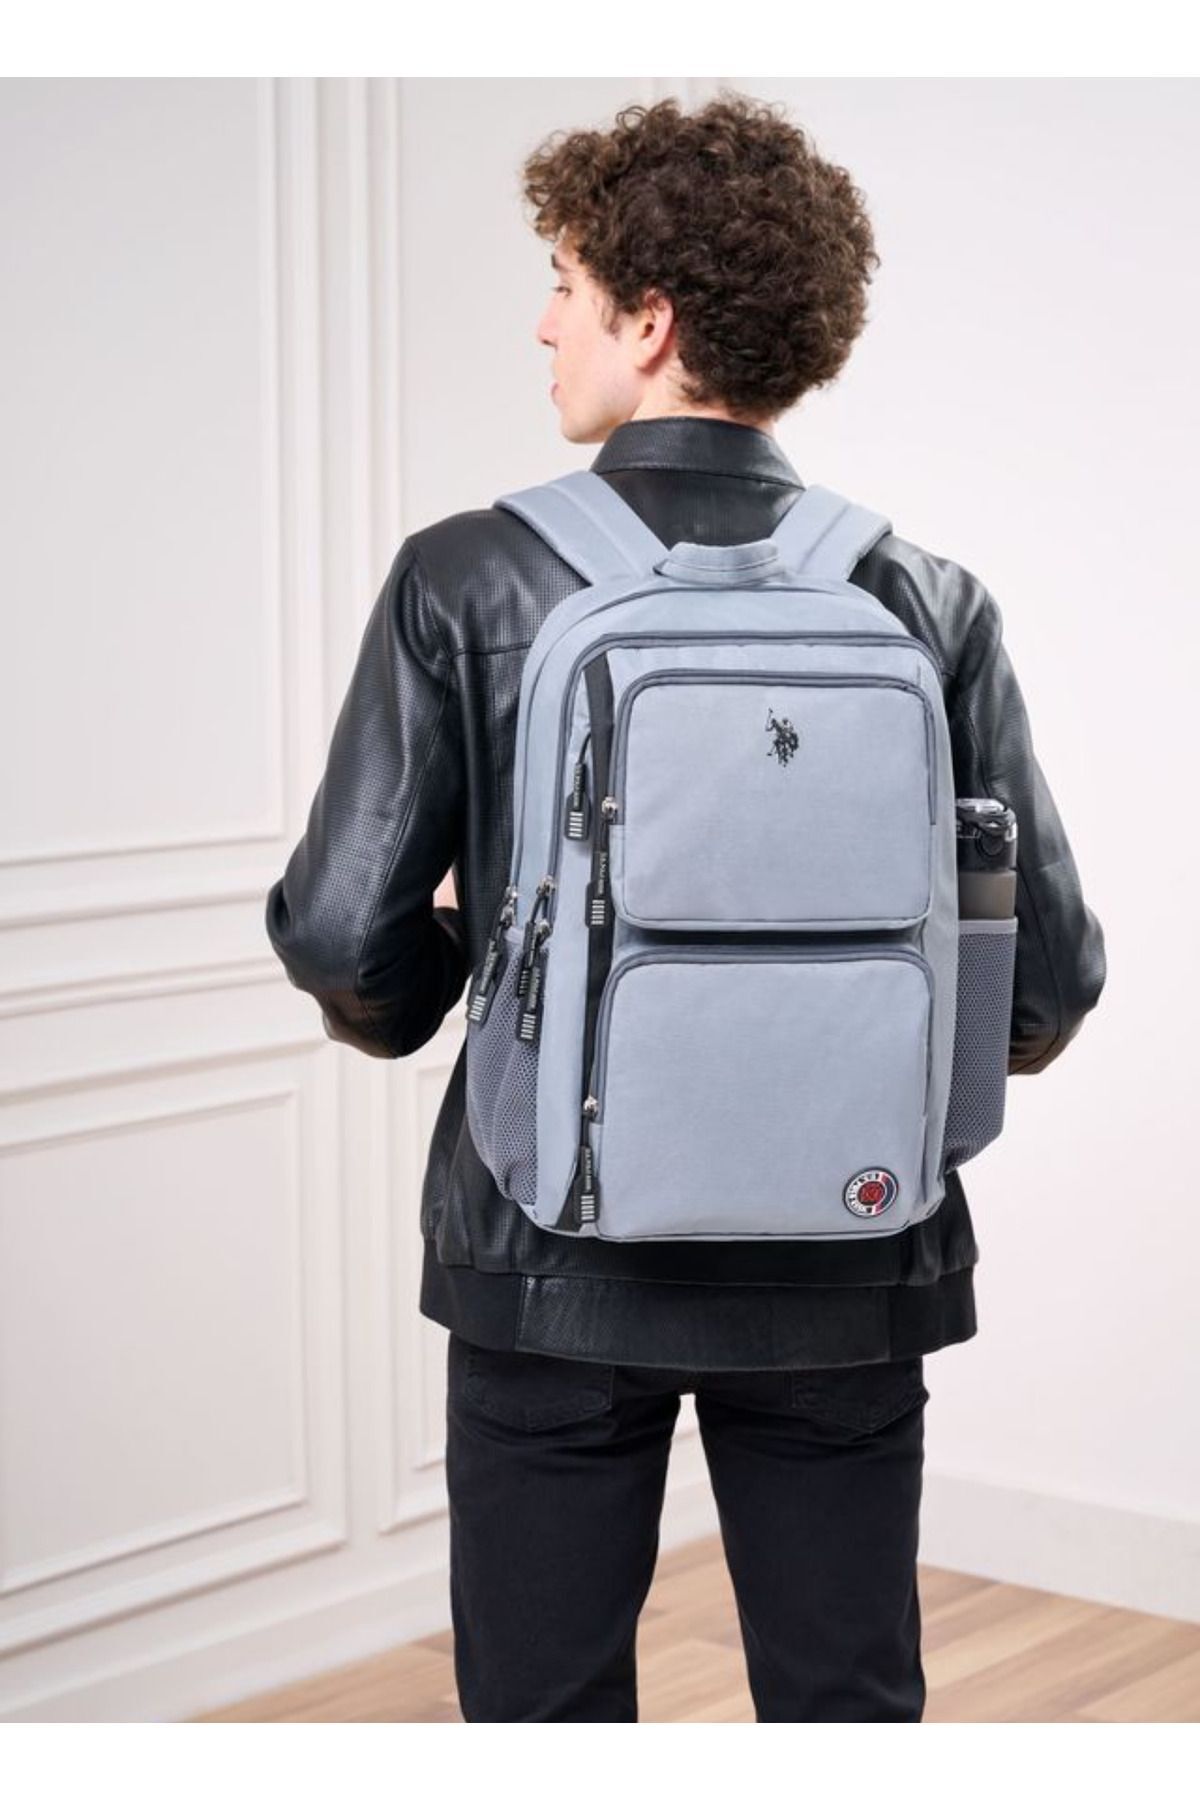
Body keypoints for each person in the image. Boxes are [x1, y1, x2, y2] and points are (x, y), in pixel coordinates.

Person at [264, 91, 1106, 1722]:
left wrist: (468, 955)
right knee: (846, 1708)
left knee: (548, 1712)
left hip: (547, 1252)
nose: (544, 323)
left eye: (565, 286)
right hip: (851, 1257)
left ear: (648, 322)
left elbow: (341, 941)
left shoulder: (465, 577)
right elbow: (1046, 985)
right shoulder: (925, 597)